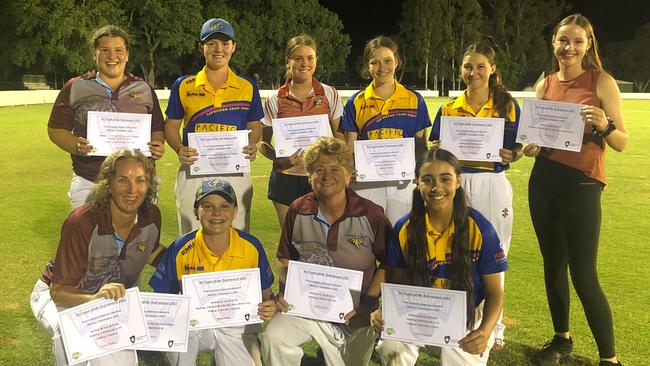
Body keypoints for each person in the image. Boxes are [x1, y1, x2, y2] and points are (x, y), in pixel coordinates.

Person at [523, 13, 627, 366]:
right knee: (553, 265)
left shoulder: (601, 82)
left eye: (577, 41)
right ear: (553, 42)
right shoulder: (545, 84)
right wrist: (531, 146)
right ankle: (561, 339)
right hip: (544, 180)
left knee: (583, 273)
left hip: (582, 184)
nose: (569, 47)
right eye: (563, 40)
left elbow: (622, 142)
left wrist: (605, 124)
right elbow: (535, 139)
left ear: (588, 45)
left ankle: (609, 358)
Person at [259, 137, 391, 366]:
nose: (327, 176)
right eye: (319, 170)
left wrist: (368, 306)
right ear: (309, 176)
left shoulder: (371, 214)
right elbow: (286, 259)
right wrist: (285, 292)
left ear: (349, 174)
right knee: (274, 336)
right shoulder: (298, 209)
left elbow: (389, 265)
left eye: (335, 169)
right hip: (308, 307)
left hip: (356, 311)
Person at [370, 148, 508, 365]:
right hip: (418, 308)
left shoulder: (480, 228)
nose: (436, 187)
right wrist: (383, 310)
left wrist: (485, 331)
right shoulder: (405, 227)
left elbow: (494, 292)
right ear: (417, 182)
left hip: (466, 312)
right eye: (427, 180)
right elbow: (397, 283)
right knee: (392, 348)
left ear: (458, 181)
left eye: (445, 179)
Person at [30, 149, 165, 365]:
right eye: (123, 180)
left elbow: (149, 250)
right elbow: (59, 292)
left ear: (149, 185)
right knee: (70, 339)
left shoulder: (151, 216)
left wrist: (188, 261)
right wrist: (94, 300)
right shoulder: (82, 221)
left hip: (109, 301)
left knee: (119, 355)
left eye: (140, 180)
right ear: (108, 183)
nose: (132, 190)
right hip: (63, 296)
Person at [429, 40, 521, 349]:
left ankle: (492, 326)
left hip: (491, 183)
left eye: (481, 66)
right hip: (457, 184)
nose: (474, 72)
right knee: (456, 250)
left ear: (493, 69)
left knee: (495, 254)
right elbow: (436, 147)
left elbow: (517, 147)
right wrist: (434, 148)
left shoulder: (507, 104)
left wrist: (515, 153)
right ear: (461, 69)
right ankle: (454, 317)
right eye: (468, 66)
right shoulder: (449, 106)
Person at [149, 179, 277, 366]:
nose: (216, 213)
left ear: (235, 211)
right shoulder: (181, 247)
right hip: (193, 327)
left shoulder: (251, 246)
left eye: (224, 206)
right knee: (176, 329)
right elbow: (163, 299)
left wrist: (269, 305)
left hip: (236, 326)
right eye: (207, 206)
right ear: (195, 212)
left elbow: (266, 293)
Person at [47, 25, 165, 209]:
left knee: (138, 237)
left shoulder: (143, 89)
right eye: (104, 50)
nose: (112, 56)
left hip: (136, 182)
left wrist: (157, 145)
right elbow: (55, 129)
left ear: (127, 54)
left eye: (119, 50)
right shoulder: (76, 86)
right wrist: (77, 146)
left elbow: (156, 129)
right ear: (95, 54)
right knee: (88, 237)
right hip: (90, 180)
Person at [164, 18, 262, 235]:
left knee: (238, 231)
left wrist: (253, 144)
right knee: (191, 232)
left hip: (235, 168)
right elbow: (170, 126)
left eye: (225, 43)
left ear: (233, 47)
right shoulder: (183, 85)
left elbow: (255, 126)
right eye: (212, 43)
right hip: (195, 167)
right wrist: (180, 148)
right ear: (202, 47)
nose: (219, 49)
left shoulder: (247, 86)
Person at [339, 35, 431, 225]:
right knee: (364, 243)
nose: (382, 68)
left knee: (402, 238)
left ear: (396, 62)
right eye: (375, 62)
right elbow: (350, 146)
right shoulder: (356, 101)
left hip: (403, 184)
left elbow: (421, 144)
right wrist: (348, 168)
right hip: (366, 183)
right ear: (368, 66)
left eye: (388, 61)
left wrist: (422, 170)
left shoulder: (414, 99)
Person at [259, 35, 345, 228]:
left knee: (322, 240)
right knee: (290, 240)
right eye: (297, 58)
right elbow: (262, 143)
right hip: (285, 177)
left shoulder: (329, 93)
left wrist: (331, 157)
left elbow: (340, 135)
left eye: (310, 58)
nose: (304, 63)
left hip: (321, 177)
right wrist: (279, 159)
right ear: (287, 61)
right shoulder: (275, 98)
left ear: (316, 60)